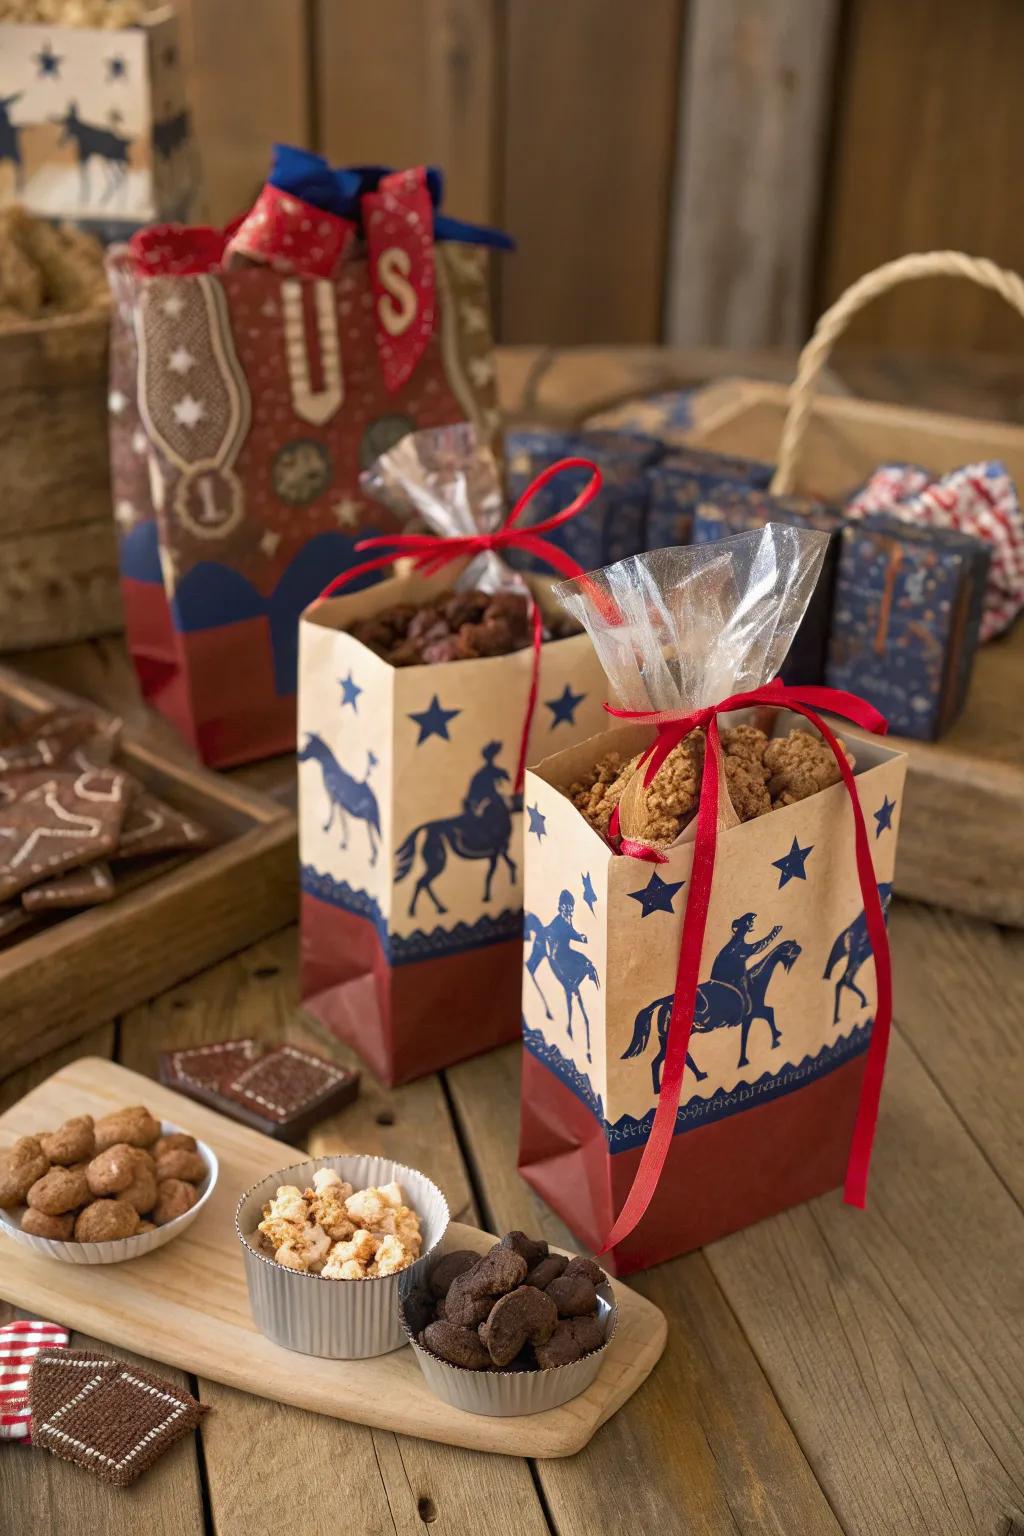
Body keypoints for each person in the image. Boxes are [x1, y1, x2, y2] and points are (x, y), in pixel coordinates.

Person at [709, 912, 781, 986]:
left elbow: (755, 947)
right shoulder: (736, 944)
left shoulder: (737, 942)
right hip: (724, 983)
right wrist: (774, 933)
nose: (752, 924)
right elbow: (754, 947)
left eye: (751, 922)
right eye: (750, 922)